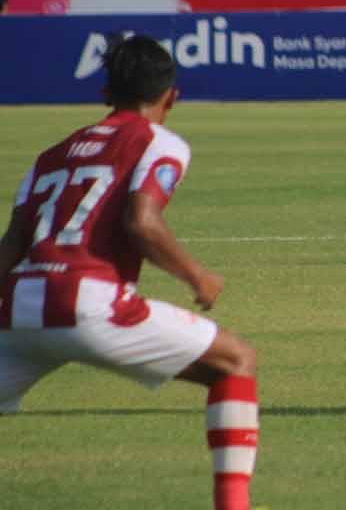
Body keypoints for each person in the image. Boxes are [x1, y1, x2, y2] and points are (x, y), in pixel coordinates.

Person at [0, 35, 260, 510]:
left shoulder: (50, 155)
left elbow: (11, 247)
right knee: (236, 360)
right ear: (172, 97)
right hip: (89, 304)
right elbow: (142, 222)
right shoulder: (158, 141)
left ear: (104, 94)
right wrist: (196, 277)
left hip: (19, 309)